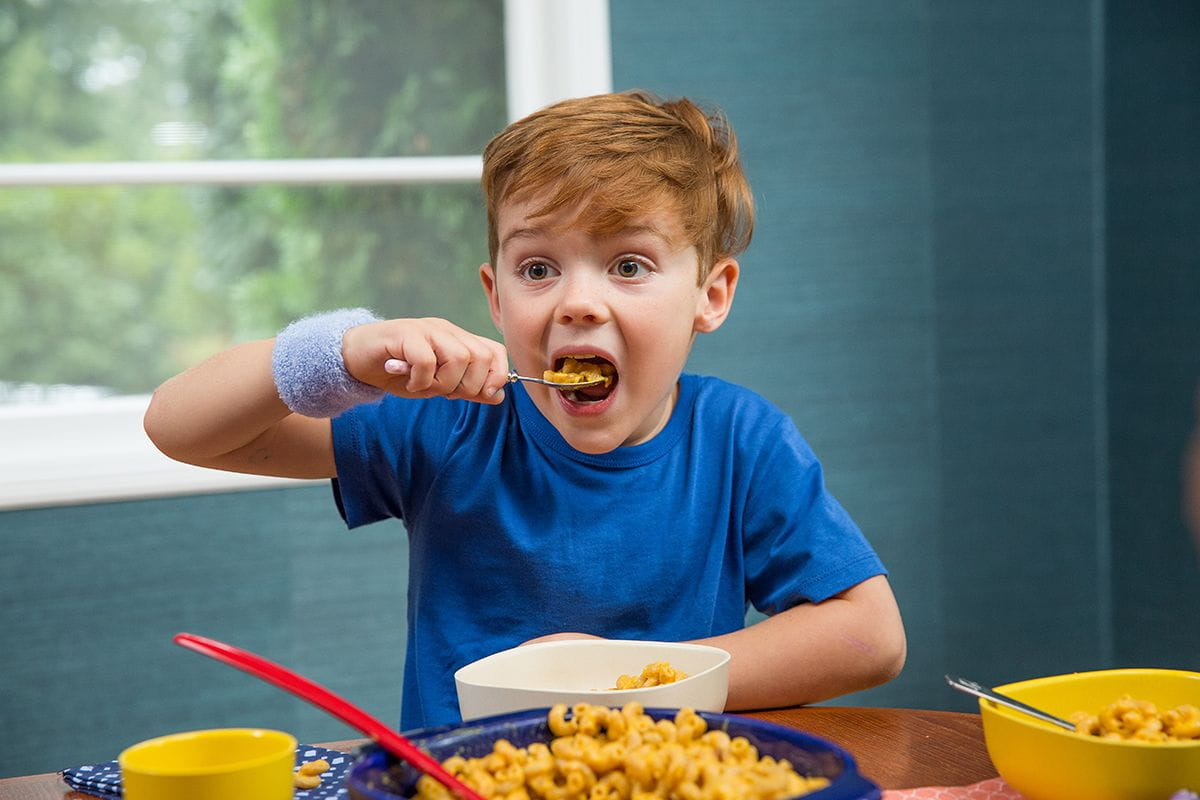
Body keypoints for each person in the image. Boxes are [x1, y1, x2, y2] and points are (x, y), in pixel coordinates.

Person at [144, 90, 906, 730]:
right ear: (495, 295)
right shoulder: (448, 421)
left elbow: (871, 637)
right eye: (538, 267)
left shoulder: (741, 442)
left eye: (628, 264)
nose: (577, 302)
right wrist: (340, 353)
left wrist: (637, 679)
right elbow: (178, 427)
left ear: (711, 295)